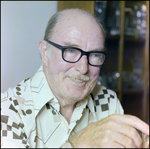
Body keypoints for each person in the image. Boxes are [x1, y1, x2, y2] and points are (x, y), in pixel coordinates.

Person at [1, 8, 149, 148]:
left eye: (95, 55)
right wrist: (80, 143)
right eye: (71, 51)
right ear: (45, 52)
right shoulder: (8, 111)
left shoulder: (107, 101)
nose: (84, 68)